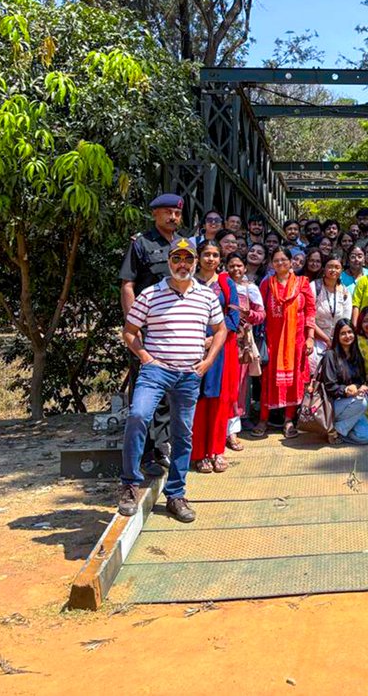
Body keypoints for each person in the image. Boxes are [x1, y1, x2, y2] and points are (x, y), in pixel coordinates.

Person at [119, 238, 226, 523]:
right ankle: (130, 484)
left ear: (194, 263)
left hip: (189, 374)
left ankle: (176, 494)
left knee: (183, 433)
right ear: (169, 263)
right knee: (138, 416)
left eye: (188, 260)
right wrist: (144, 356)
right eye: (177, 260)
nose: (183, 265)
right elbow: (129, 330)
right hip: (156, 371)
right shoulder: (150, 295)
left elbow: (221, 330)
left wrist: (208, 362)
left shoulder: (206, 296)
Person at [119, 192, 184, 477]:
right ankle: (144, 455)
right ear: (155, 214)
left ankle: (162, 448)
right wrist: (135, 323)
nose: (173, 217)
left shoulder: (183, 245)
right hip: (149, 330)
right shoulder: (141, 244)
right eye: (168, 212)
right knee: (145, 393)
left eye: (177, 213)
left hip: (176, 330)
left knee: (172, 393)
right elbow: (128, 285)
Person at [190, 240, 241, 474]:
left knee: (219, 400)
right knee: (197, 400)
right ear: (198, 257)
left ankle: (217, 450)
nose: (211, 259)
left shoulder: (225, 283)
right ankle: (199, 453)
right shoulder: (188, 282)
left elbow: (233, 317)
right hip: (191, 347)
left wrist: (215, 338)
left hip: (221, 349)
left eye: (215, 255)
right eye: (206, 254)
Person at [255, 246, 316, 440]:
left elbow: (310, 312)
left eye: (284, 260)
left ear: (291, 262)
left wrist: (310, 337)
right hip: (272, 340)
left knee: (293, 381)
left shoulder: (302, 283)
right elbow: (260, 310)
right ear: (271, 264)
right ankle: (263, 419)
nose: (280, 263)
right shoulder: (267, 284)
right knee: (268, 380)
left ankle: (289, 420)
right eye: (276, 260)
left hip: (296, 341)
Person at [225, 253, 264, 451]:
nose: (236, 269)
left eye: (239, 265)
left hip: (241, 345)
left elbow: (261, 315)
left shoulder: (250, 289)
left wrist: (248, 315)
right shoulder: (219, 285)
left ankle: (232, 431)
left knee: (238, 386)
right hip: (220, 341)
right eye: (231, 265)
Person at [318, 320, 368, 445]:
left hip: (352, 404)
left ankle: (337, 431)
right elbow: (329, 386)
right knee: (362, 402)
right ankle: (335, 428)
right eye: (343, 333)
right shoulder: (330, 355)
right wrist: (346, 390)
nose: (347, 336)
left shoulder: (356, 355)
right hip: (334, 404)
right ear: (337, 336)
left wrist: (356, 387)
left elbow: (361, 380)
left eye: (350, 332)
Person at [311, 256, 353, 373]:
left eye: (337, 267)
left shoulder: (344, 291)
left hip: (338, 342)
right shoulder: (314, 287)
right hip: (316, 340)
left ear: (342, 270)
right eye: (330, 266)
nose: (333, 270)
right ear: (324, 268)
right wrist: (326, 339)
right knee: (314, 374)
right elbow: (308, 318)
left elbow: (346, 320)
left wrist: (335, 341)